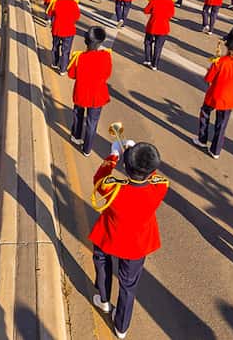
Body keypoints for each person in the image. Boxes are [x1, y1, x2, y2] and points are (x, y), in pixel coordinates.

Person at [88, 139, 168, 339]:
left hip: (110, 235)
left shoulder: (114, 189)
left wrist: (114, 156)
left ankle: (104, 299)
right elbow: (153, 175)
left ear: (126, 166)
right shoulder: (159, 188)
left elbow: (99, 178)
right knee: (128, 285)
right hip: (137, 244)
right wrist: (136, 157)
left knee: (101, 261)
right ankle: (121, 326)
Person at [195, 27, 233, 159]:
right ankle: (216, 150)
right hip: (230, 96)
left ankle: (202, 140)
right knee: (222, 124)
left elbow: (208, 79)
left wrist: (213, 64)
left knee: (205, 114)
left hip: (215, 94)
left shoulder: (220, 62)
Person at [68, 27, 113, 156]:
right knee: (92, 122)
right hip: (97, 95)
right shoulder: (106, 56)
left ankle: (76, 136)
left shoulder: (79, 57)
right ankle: (87, 149)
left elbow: (71, 74)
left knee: (78, 115)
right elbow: (107, 74)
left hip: (81, 92)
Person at [142, 0, 176, 70]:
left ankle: (148, 59)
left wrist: (150, 2)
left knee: (147, 42)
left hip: (152, 25)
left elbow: (146, 11)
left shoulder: (154, 1)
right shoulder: (170, 2)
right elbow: (171, 15)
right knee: (158, 46)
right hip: (164, 27)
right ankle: (155, 64)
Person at [49, 0, 81, 69]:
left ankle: (55, 62)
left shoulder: (56, 3)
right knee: (66, 50)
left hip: (57, 30)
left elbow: (51, 14)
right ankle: (63, 68)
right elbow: (77, 17)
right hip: (69, 31)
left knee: (55, 46)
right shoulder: (73, 4)